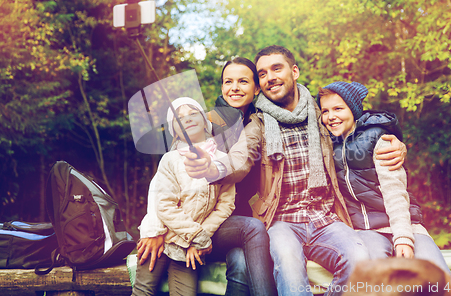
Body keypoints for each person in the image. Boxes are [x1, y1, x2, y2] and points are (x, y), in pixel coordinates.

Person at [182, 45, 407, 296]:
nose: (270, 77)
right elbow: (238, 159)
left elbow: (359, 124)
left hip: (326, 218)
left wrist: (390, 137)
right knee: (288, 270)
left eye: (276, 69)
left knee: (359, 259)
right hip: (282, 221)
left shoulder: (320, 112)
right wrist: (212, 167)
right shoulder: (258, 123)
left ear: (295, 71)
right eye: (263, 73)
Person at [136, 59, 278, 296]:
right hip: (192, 223)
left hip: (227, 219)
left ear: (256, 88)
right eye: (228, 81)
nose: (234, 87)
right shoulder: (204, 120)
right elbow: (161, 187)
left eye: (243, 81)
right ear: (221, 87)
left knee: (241, 263)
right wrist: (155, 229)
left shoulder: (261, 122)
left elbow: (241, 171)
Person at [317, 81, 450, 275]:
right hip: (365, 230)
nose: (331, 117)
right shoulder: (326, 143)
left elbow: (395, 192)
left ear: (353, 110)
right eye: (325, 111)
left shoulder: (379, 139)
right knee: (376, 278)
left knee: (437, 276)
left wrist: (403, 238)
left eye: (338, 108)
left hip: (404, 223)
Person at [131, 97, 236, 296]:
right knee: (143, 291)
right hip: (162, 237)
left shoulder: (223, 161)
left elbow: (225, 205)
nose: (187, 119)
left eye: (193, 113)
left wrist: (199, 238)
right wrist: (195, 235)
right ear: (174, 130)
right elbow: (164, 204)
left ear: (205, 121)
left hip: (188, 248)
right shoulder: (170, 160)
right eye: (179, 118)